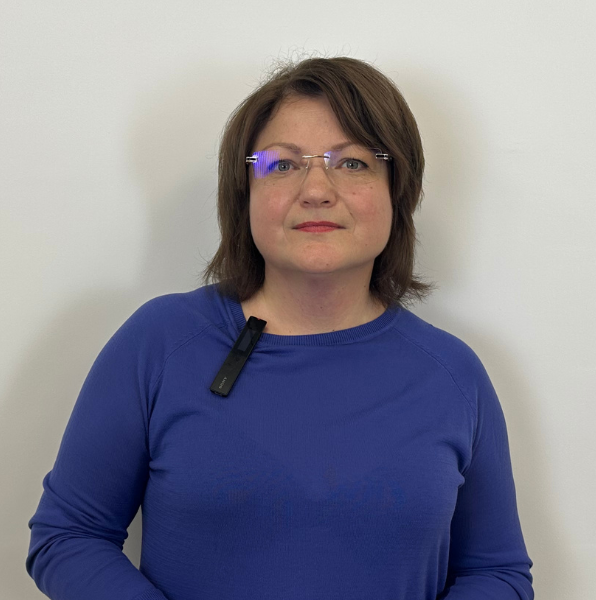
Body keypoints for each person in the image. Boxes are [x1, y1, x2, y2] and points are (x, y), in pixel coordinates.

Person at [26, 57, 534, 600]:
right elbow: (69, 536)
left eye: (353, 162)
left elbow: (497, 573)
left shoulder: (452, 373)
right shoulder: (160, 342)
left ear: (399, 191)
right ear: (244, 194)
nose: (317, 189)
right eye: (283, 164)